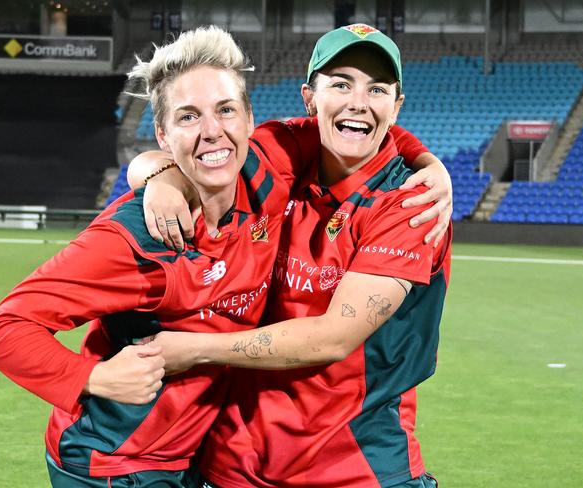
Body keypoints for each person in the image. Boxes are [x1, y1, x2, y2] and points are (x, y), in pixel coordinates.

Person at [0, 26, 320, 487]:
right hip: (116, 465)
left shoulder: (269, 165)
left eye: (225, 110)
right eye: (188, 117)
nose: (212, 131)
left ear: (249, 119)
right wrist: (93, 377)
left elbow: (361, 126)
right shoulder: (135, 239)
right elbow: (4, 332)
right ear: (162, 133)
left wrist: (425, 164)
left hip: (196, 457)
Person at [131, 23, 451, 488]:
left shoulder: (412, 200)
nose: (358, 101)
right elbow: (185, 156)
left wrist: (196, 349)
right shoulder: (281, 150)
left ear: (396, 107)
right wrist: (162, 176)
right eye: (340, 84)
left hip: (355, 469)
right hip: (232, 467)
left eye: (377, 89)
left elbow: (333, 338)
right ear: (309, 97)